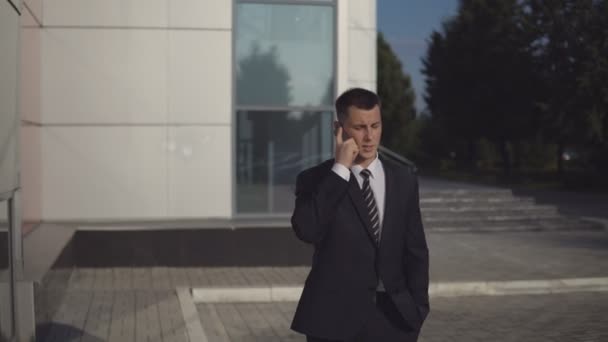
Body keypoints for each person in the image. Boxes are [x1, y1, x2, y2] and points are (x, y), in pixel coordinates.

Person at [290, 88, 430, 341]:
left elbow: (416, 249)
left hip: (394, 319)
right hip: (333, 321)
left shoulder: (404, 180)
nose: (369, 137)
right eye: (359, 127)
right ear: (339, 128)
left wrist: (418, 309)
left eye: (374, 126)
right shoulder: (315, 180)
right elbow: (307, 230)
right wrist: (340, 170)